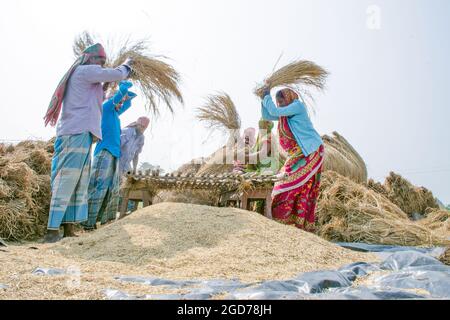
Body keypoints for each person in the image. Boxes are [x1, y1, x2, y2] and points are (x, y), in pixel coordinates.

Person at [43, 43, 133, 243]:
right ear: (90, 58)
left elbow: (98, 98)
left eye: (103, 62)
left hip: (82, 133)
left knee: (79, 182)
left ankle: (68, 229)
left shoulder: (88, 77)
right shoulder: (84, 71)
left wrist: (111, 88)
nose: (101, 65)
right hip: (74, 132)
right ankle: (51, 230)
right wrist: (127, 65)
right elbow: (118, 74)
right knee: (66, 179)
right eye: (100, 61)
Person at [260, 88, 324, 232]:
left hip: (311, 151)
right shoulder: (285, 113)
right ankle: (285, 222)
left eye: (282, 101)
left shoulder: (297, 106)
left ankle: (296, 222)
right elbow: (267, 114)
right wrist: (262, 99)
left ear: (288, 98)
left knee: (294, 184)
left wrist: (266, 96)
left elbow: (275, 111)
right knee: (283, 183)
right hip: (297, 153)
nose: (280, 105)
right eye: (278, 102)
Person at [81, 81, 137, 231]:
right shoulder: (105, 108)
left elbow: (128, 102)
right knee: (98, 186)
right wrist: (123, 85)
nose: (120, 105)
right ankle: (87, 222)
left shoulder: (115, 115)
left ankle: (101, 221)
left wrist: (127, 95)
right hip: (104, 151)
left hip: (114, 153)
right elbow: (118, 97)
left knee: (110, 189)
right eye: (118, 102)